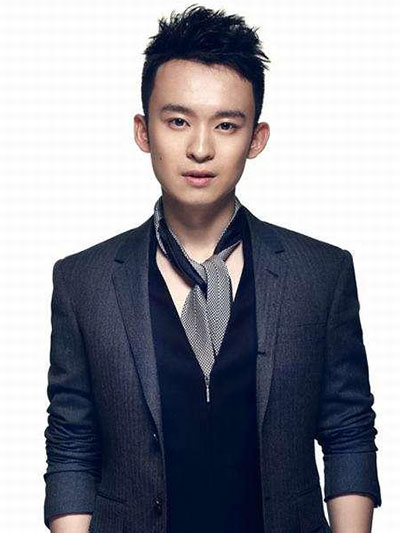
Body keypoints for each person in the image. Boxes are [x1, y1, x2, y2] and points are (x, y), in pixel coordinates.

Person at [43, 5, 381, 532]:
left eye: (226, 125)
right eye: (178, 121)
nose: (200, 148)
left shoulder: (321, 274)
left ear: (256, 138)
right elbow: (72, 444)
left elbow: (348, 429)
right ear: (143, 131)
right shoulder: (82, 281)